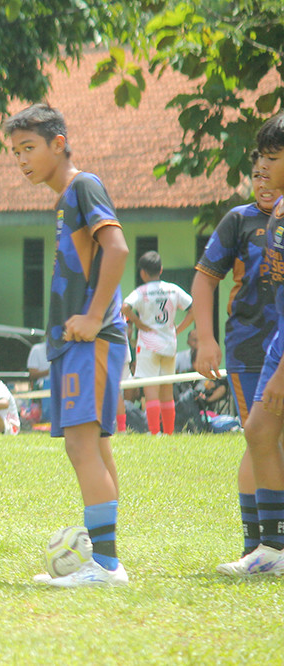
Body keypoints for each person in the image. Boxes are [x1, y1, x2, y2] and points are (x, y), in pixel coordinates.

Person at [5, 103, 129, 587]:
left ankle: (106, 566)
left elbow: (117, 248)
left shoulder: (83, 186)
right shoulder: (63, 199)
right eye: (15, 152)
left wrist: (94, 316)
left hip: (90, 340)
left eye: (29, 148)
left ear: (59, 144)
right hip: (71, 342)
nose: (21, 160)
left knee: (81, 446)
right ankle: (107, 557)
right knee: (94, 446)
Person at [193, 150, 280, 558]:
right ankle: (256, 545)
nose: (263, 182)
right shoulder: (238, 220)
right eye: (256, 175)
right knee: (259, 439)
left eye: (270, 173)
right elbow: (204, 279)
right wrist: (205, 339)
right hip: (249, 348)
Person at [216, 113, 284, 576]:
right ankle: (272, 549)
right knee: (259, 433)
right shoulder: (276, 212)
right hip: (275, 339)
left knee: (261, 431)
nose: (263, 167)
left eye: (273, 159)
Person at [121, 251, 194, 435]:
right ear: (161, 269)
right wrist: (178, 329)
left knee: (151, 389)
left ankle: (154, 432)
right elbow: (193, 308)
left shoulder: (141, 291)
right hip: (169, 344)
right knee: (167, 390)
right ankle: (168, 432)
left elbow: (125, 307)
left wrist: (138, 323)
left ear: (142, 273)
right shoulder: (173, 289)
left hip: (148, 344)